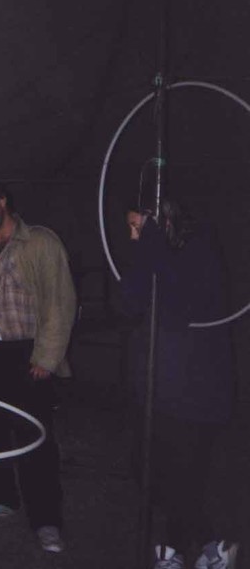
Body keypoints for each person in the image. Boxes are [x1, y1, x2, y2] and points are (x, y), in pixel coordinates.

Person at [0, 177, 76, 554]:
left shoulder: (40, 242)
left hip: (27, 354)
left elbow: (60, 302)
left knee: (34, 437)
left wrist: (46, 357)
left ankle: (46, 520)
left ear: (3, 201)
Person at [121, 200, 239, 569]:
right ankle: (208, 547)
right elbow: (131, 302)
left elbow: (180, 305)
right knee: (150, 469)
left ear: (164, 222)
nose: (133, 236)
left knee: (181, 474)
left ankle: (182, 550)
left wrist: (151, 243)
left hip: (197, 390)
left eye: (138, 227)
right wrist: (144, 250)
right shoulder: (153, 253)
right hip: (159, 386)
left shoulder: (199, 252)